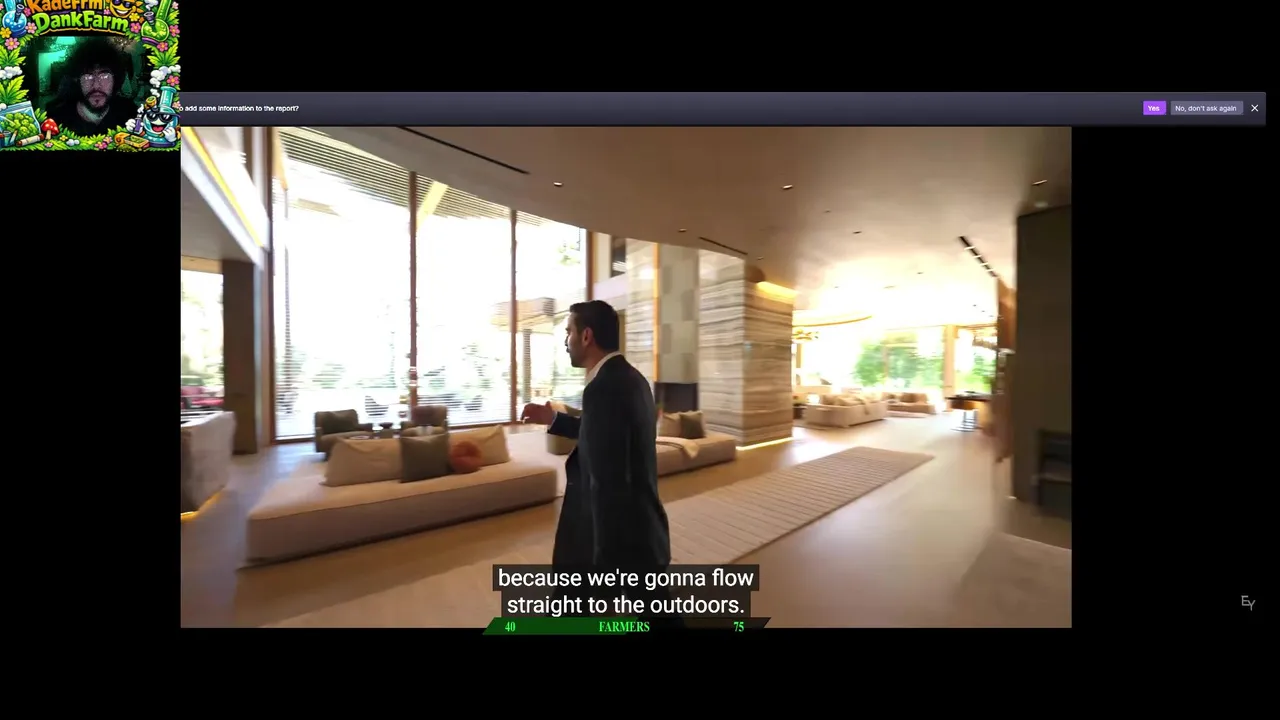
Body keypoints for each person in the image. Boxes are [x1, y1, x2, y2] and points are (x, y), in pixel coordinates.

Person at [519, 300, 680, 626]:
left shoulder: (603, 389)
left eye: (569, 332)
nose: (566, 341)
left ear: (586, 336)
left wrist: (605, 566)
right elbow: (603, 436)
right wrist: (553, 418)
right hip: (640, 528)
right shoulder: (633, 379)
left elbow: (608, 480)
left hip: (605, 533)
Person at [44, 38, 137, 137]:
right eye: (88, 76)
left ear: (115, 79)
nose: (96, 85)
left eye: (104, 76)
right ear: (77, 79)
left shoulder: (130, 113)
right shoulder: (55, 118)